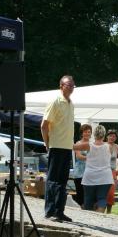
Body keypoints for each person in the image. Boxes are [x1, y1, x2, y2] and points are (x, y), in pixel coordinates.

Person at [41, 75, 76, 222]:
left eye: (73, 85)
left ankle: (59, 211)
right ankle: (50, 211)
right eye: (69, 85)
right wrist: (47, 144)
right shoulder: (55, 101)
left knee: (62, 181)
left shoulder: (71, 103)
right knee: (53, 180)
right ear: (61, 86)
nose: (71, 87)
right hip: (56, 146)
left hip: (67, 147)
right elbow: (44, 125)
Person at [74, 125, 113, 212]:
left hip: (90, 177)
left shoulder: (88, 145)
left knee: (88, 200)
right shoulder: (109, 146)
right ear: (104, 135)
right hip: (105, 177)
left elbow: (73, 147)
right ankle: (99, 216)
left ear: (94, 134)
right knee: (102, 199)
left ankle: (90, 218)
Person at [72, 123, 91, 206]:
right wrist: (92, 158)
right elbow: (79, 156)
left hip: (90, 172)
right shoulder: (78, 143)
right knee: (80, 195)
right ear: (82, 133)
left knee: (89, 195)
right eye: (85, 132)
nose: (87, 133)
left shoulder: (92, 144)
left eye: (89, 132)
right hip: (80, 173)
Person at [105, 129, 118, 213]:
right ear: (107, 136)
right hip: (103, 171)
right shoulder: (103, 145)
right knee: (102, 192)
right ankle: (99, 211)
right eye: (110, 136)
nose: (112, 137)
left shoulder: (117, 147)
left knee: (111, 193)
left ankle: (109, 212)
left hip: (112, 172)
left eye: (114, 136)